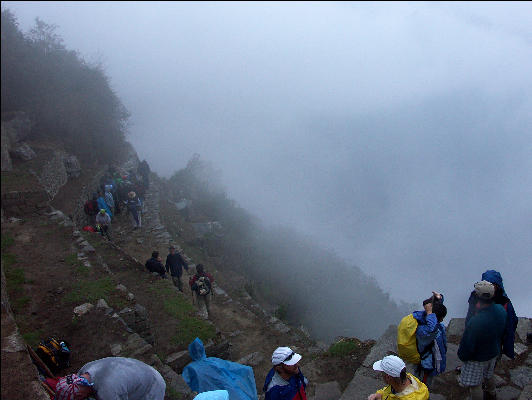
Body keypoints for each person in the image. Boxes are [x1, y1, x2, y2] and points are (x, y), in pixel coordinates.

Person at [458, 281, 507, 400]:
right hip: (493, 351)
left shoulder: (476, 322)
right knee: (489, 375)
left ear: (477, 297)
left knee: (475, 385)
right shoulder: (500, 310)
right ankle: (492, 393)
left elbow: (467, 346)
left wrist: (463, 356)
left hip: (478, 358)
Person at [54, 356, 165, 399]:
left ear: (79, 396)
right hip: (138, 370)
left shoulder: (107, 392)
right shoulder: (84, 371)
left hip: (153, 385)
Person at [465, 269, 518, 359]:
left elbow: (510, 326)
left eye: (491, 284)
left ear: (497, 285)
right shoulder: (475, 296)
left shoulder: (504, 302)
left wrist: (508, 351)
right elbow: (470, 317)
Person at [412, 292, 447, 388]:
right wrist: (430, 313)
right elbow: (432, 329)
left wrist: (438, 299)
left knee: (426, 384)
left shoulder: (432, 322)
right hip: (426, 366)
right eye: (441, 318)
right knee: (422, 387)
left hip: (431, 363)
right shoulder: (423, 331)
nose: (442, 320)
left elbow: (435, 311)